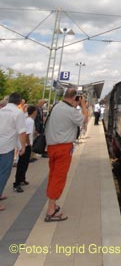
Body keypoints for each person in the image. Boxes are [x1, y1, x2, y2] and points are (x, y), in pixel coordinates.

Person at [44, 88, 88, 222]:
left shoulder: (57, 107)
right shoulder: (70, 111)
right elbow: (85, 119)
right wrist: (83, 106)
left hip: (51, 147)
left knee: (53, 176)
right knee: (59, 178)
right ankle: (51, 211)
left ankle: (52, 204)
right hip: (63, 148)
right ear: (75, 98)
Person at [0, 92, 26, 211]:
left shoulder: (1, 110)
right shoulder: (18, 113)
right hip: (7, 147)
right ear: (19, 101)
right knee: (4, 173)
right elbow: (21, 131)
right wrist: (23, 147)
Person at [13, 105, 37, 192]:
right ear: (34, 112)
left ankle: (22, 179)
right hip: (26, 145)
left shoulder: (26, 119)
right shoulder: (30, 121)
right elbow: (27, 134)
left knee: (24, 164)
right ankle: (17, 183)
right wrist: (28, 144)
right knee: (22, 164)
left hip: (22, 144)